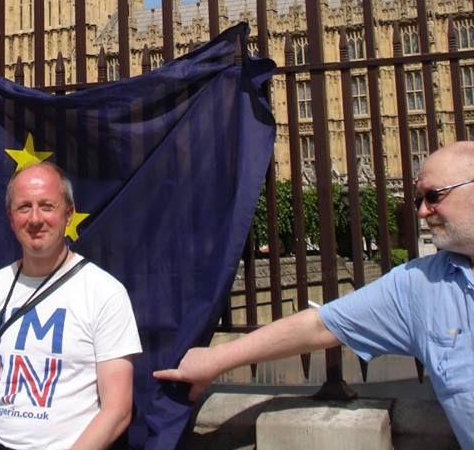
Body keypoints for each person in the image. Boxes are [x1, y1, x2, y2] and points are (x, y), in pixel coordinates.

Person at [154, 141, 474, 450]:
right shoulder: (419, 285)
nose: (421, 211)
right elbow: (319, 326)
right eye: (419, 198)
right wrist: (213, 360)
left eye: (433, 196)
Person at [0, 162, 141, 450]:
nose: (35, 218)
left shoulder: (105, 293)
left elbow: (117, 409)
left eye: (47, 206)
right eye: (24, 207)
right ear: (10, 217)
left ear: (69, 213)